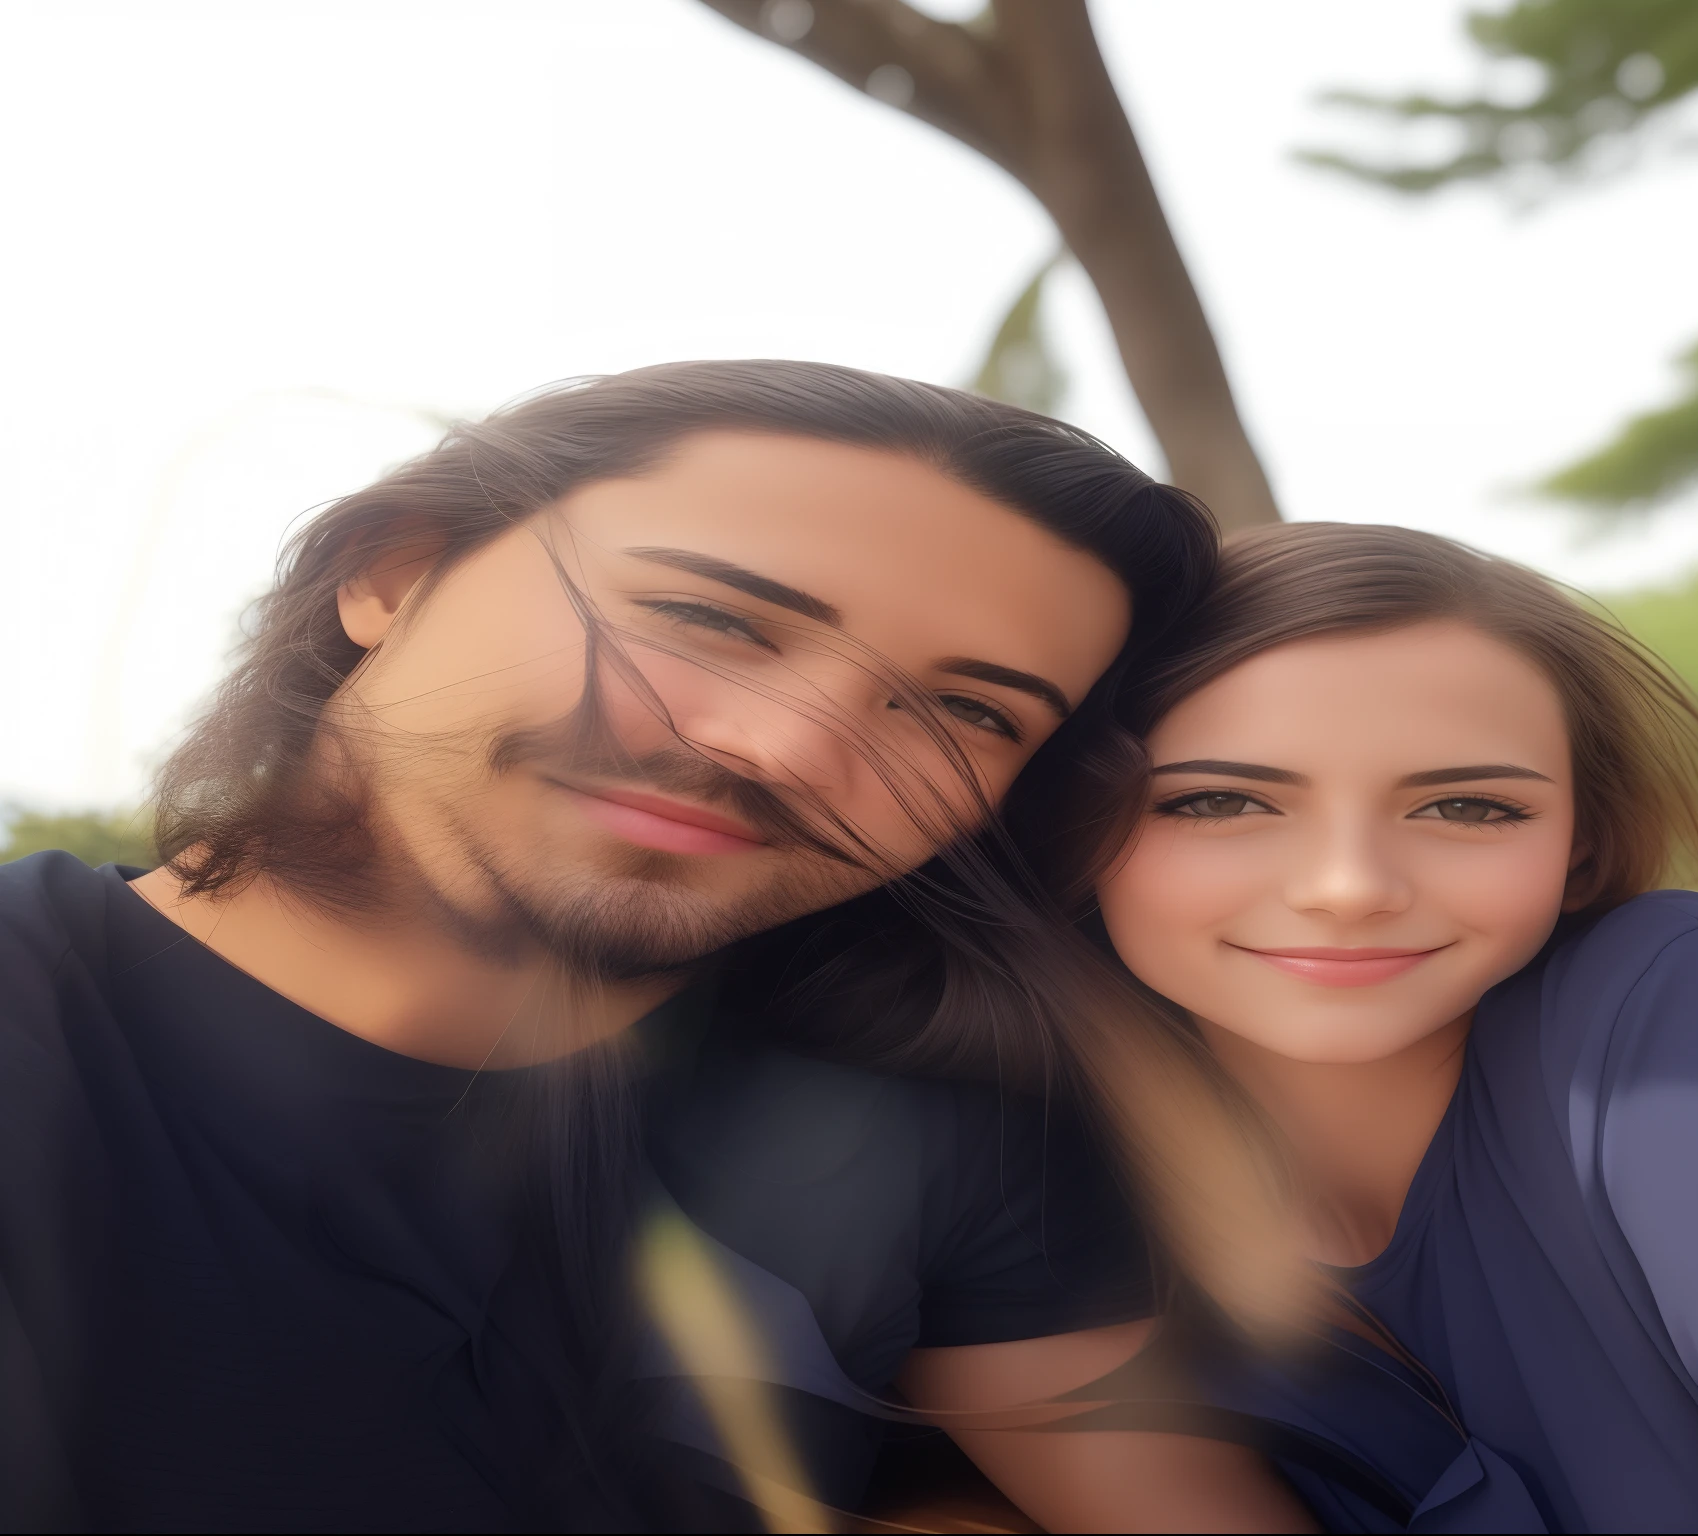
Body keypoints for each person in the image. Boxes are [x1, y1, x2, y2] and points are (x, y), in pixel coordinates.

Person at [0, 361, 1312, 1532]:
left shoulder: (933, 1139)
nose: (790, 748)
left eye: (965, 711)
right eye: (713, 618)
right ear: (395, 573)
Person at [1045, 521, 1698, 1533]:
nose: (1346, 889)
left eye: (1467, 808)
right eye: (1219, 801)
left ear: (1579, 843)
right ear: (1073, 827)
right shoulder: (1040, 1195)